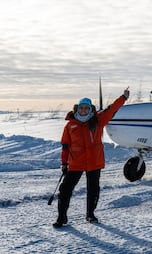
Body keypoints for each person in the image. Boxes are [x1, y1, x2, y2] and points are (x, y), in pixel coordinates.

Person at [53, 88, 129, 228]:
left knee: (93, 189)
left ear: (90, 109)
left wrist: (123, 98)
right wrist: (64, 163)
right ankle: (61, 217)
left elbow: (111, 109)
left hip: (94, 162)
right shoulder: (70, 125)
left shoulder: (98, 121)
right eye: (81, 108)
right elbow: (65, 146)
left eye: (86, 108)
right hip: (75, 163)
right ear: (77, 109)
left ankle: (90, 214)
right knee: (65, 190)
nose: (83, 110)